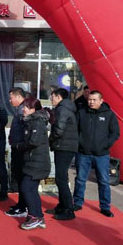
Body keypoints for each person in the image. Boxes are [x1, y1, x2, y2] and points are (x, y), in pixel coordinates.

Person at [73, 91, 120, 218]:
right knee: (80, 179)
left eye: (94, 100)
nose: (91, 102)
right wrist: (79, 143)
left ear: (101, 100)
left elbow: (115, 132)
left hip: (102, 154)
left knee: (104, 181)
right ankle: (77, 202)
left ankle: (105, 207)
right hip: (83, 153)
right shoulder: (82, 112)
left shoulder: (109, 114)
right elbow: (75, 130)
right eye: (90, 99)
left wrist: (106, 144)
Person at [17, 97, 51, 230]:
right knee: (31, 189)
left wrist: (20, 146)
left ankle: (34, 216)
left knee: (26, 187)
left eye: (26, 107)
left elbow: (33, 141)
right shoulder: (31, 122)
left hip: (37, 162)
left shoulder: (37, 122)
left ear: (33, 109)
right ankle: (38, 216)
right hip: (33, 161)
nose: (23, 109)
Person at [48, 88, 78, 220]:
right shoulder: (66, 108)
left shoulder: (62, 109)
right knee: (61, 177)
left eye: (53, 97)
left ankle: (68, 209)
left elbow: (59, 129)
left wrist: (50, 140)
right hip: (66, 146)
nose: (51, 99)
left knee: (61, 179)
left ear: (59, 97)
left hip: (64, 146)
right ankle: (62, 205)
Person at [6, 87, 28, 217]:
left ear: (19, 96)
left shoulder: (24, 109)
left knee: (22, 177)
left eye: (11, 98)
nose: (10, 100)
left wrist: (19, 145)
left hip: (20, 149)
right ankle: (20, 204)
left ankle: (23, 206)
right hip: (17, 147)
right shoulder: (19, 109)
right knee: (19, 177)